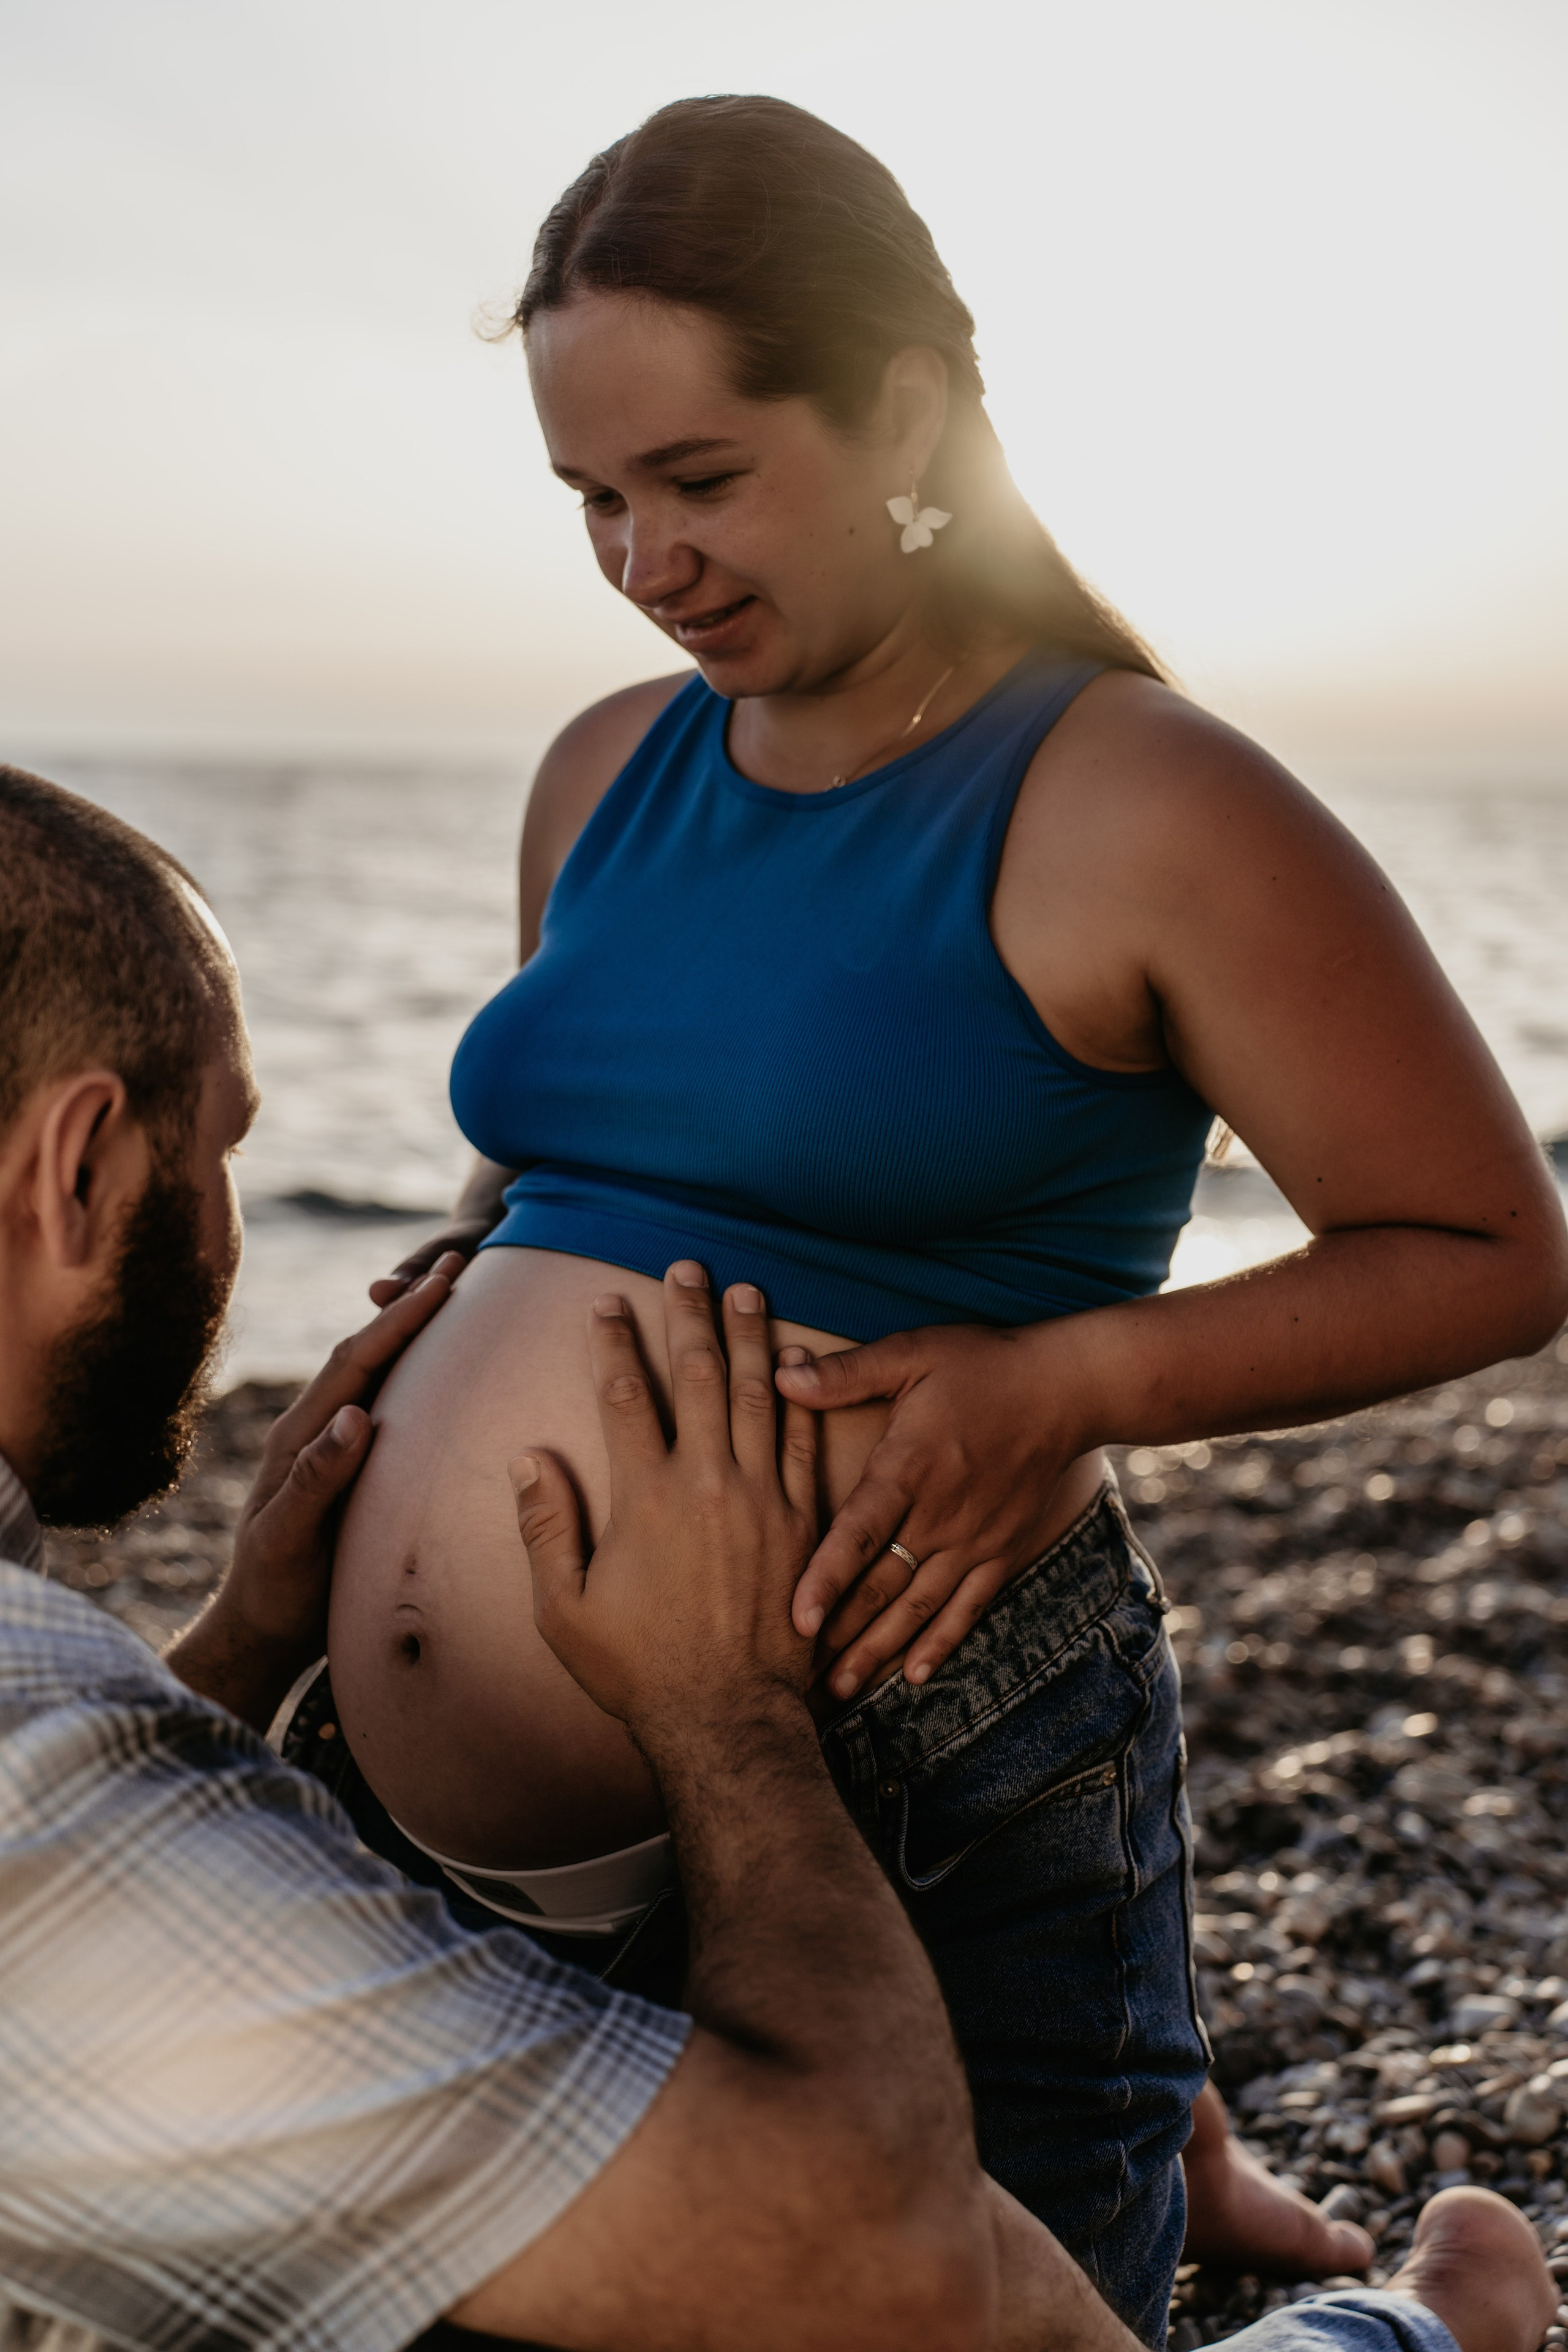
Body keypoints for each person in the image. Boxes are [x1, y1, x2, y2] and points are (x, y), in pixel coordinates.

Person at [320, 91, 1568, 2338]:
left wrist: (1063, 1380)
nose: (642, 561)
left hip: (914, 1757)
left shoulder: (1139, 794)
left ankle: (1440, 2313)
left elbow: (1489, 1246)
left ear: (904, 408)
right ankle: (1181, 2144)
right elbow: (588, 1171)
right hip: (501, 1824)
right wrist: (452, 1304)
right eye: (591, 500)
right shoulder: (607, 767)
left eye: (700, 482)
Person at [0, 762, 1557, 2352]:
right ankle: (1422, 2333)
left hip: (905, 1743)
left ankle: (1204, 2150)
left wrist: (248, 1644)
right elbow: (883, 2247)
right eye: (220, 1155)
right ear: (75, 1169)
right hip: (723, 1792)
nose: (647, 559)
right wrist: (722, 1708)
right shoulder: (41, 1785)